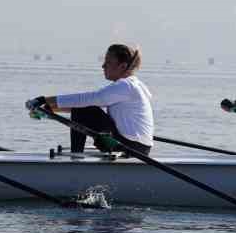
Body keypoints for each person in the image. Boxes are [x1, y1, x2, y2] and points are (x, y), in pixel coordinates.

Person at [26, 43, 155, 155]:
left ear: (122, 66)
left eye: (108, 62)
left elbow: (88, 100)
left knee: (82, 109)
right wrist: (48, 110)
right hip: (139, 147)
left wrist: (43, 99)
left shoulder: (125, 86)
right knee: (83, 108)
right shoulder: (133, 85)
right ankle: (77, 155)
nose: (103, 66)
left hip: (131, 147)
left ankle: (75, 157)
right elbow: (87, 104)